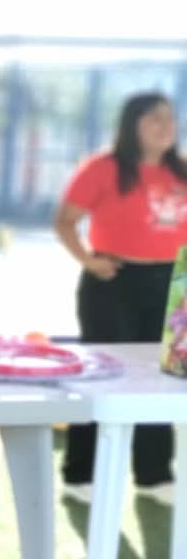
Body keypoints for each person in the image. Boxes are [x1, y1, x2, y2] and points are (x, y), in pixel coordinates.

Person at [55, 91, 187, 504]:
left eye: (170, 118)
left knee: (165, 378)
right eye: (155, 119)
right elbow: (65, 222)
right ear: (133, 124)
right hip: (114, 281)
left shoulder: (182, 171)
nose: (166, 127)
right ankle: (80, 475)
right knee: (104, 375)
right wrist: (89, 261)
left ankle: (154, 475)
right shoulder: (103, 168)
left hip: (174, 283)